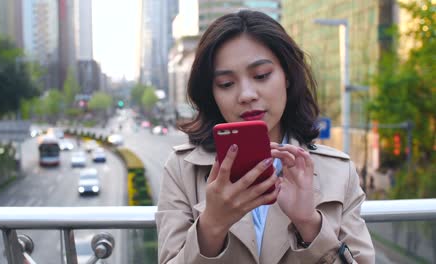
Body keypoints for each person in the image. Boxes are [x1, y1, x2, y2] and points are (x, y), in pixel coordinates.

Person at [156, 10, 375, 264]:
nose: (246, 94)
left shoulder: (338, 171)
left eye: (261, 76)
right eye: (226, 83)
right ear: (211, 94)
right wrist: (212, 226)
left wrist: (310, 225)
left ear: (288, 77)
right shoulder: (183, 169)